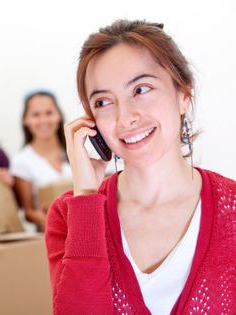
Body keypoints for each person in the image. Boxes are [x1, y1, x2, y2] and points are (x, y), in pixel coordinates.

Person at [45, 20, 235, 314]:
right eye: (104, 101)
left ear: (183, 94)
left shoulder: (232, 209)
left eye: (141, 89)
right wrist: (85, 196)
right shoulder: (68, 215)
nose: (125, 118)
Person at [11, 91, 71, 231]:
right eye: (35, 115)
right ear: (26, 120)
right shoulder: (22, 161)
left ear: (59, 116)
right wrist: (47, 221)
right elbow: (28, 212)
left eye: (49, 113)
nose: (43, 120)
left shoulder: (76, 148)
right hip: (53, 234)